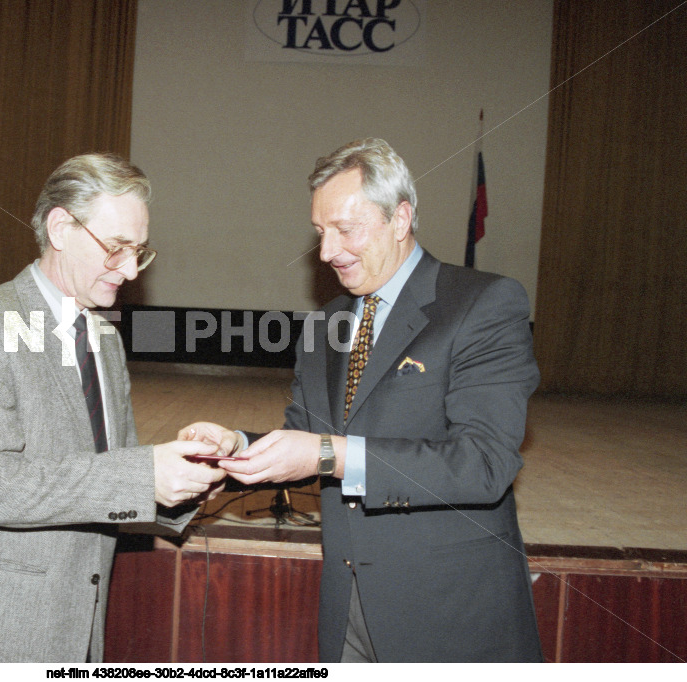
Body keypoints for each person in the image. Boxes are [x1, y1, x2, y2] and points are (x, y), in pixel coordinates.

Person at [182, 138, 542, 662]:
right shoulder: (327, 324)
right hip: (347, 610)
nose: (327, 252)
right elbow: (305, 439)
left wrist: (331, 453)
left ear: (400, 219)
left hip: (449, 616)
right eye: (321, 233)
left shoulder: (484, 303)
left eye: (345, 230)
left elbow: (483, 464)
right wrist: (236, 444)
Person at [0, 152, 226, 662]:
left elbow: (105, 481)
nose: (127, 270)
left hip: (75, 635)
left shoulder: (103, 338)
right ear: (60, 227)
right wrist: (143, 474)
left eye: (139, 252)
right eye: (116, 248)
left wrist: (184, 477)